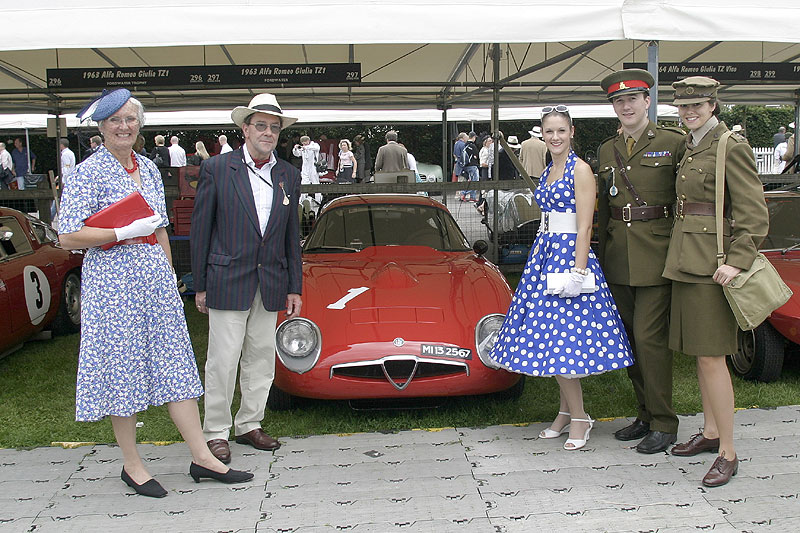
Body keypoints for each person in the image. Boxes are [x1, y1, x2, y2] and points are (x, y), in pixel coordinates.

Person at [57, 88, 252, 498]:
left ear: (139, 124)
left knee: (174, 366)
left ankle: (202, 456)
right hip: (112, 283)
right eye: (115, 121)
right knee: (122, 370)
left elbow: (160, 226)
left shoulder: (145, 165)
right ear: (102, 127)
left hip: (154, 280)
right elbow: (67, 234)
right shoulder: (87, 173)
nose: (123, 126)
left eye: (129, 119)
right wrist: (118, 232)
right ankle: (132, 464)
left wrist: (168, 274)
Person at [489, 105, 634, 451]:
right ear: (543, 134)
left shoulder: (581, 170)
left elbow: (585, 225)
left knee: (563, 342)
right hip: (546, 255)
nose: (555, 137)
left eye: (561, 131)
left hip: (569, 257)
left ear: (572, 133)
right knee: (550, 338)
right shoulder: (550, 168)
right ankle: (566, 412)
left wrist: (578, 271)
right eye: (549, 131)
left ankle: (580, 416)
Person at [665, 77, 768, 487]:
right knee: (700, 355)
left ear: (713, 105)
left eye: (697, 106)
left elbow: (754, 213)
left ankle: (728, 450)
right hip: (687, 260)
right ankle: (710, 433)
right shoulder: (691, 144)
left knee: (712, 357)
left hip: (714, 264)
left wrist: (738, 262)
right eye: (684, 107)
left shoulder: (730, 145)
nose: (689, 112)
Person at [190, 93, 303, 465]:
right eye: (261, 125)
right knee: (222, 360)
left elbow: (290, 235)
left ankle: (250, 423)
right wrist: (200, 284)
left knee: (261, 357)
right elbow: (201, 229)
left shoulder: (288, 173)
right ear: (245, 129)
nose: (268, 132)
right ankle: (216, 431)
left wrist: (294, 286)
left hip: (270, 279)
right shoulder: (218, 169)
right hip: (226, 278)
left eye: (274, 127)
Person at [595, 68, 686, 454]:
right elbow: (602, 209)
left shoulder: (672, 142)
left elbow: (687, 200)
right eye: (619, 101)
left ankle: (665, 422)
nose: (626, 105)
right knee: (631, 340)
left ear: (648, 101)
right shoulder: (605, 149)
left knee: (650, 340)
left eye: (632, 98)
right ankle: (646, 415)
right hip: (618, 256)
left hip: (657, 254)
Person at [292, 135, 322, 205]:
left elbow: (316, 148)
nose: (304, 144)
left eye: (305, 142)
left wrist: (305, 147)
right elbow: (297, 154)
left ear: (308, 141)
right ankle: (302, 200)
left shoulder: (314, 145)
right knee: (304, 183)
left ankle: (318, 200)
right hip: (305, 168)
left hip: (313, 167)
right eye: (303, 142)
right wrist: (295, 149)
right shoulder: (303, 148)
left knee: (315, 183)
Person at [459, 131, 480, 202]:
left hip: (466, 165)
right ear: (473, 137)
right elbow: (476, 155)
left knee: (470, 180)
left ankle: (470, 196)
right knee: (475, 181)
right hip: (473, 165)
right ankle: (465, 194)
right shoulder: (473, 146)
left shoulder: (465, 145)